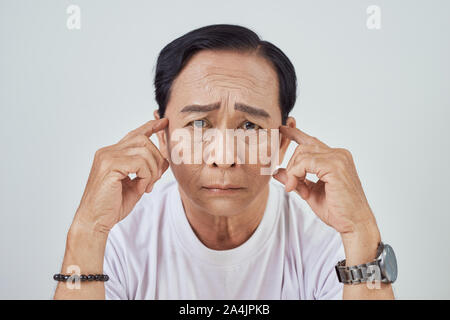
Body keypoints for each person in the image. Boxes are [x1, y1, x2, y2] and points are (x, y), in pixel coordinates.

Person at [53, 24, 395, 300]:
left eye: (249, 126)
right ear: (163, 135)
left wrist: (361, 230)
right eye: (199, 124)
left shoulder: (330, 240)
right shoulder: (117, 236)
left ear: (282, 140)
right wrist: (86, 231)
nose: (224, 157)